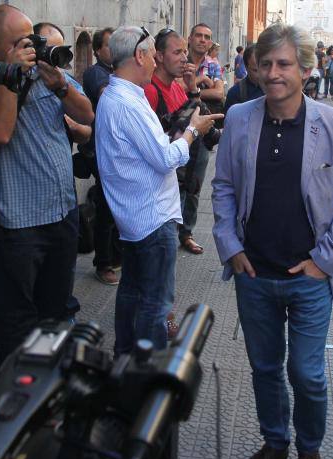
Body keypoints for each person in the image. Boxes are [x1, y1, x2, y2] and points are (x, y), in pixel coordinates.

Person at [211, 24, 333, 459]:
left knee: (307, 373)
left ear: (305, 69)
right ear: (254, 69)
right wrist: (229, 245)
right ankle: (275, 442)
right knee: (264, 367)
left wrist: (324, 261)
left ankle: (310, 451)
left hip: (309, 278)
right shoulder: (239, 118)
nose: (274, 73)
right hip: (254, 274)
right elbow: (222, 187)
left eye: (284, 64)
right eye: (266, 64)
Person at [0, 5, 93, 366]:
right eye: (19, 42)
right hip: (18, 223)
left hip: (61, 212)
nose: (29, 48)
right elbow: (3, 134)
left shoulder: (48, 73)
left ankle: (48, 390)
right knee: (16, 318)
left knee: (55, 312)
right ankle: (13, 398)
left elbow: (88, 114)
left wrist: (59, 86)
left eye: (31, 40)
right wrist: (13, 75)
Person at [95, 26, 221, 357]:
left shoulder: (119, 96)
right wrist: (194, 129)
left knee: (133, 291)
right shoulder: (128, 103)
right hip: (151, 217)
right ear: (139, 56)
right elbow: (166, 158)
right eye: (153, 54)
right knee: (153, 302)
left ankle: (125, 359)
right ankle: (148, 373)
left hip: (138, 215)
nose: (155, 62)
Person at [180, 23, 223, 255]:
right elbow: (176, 86)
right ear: (190, 38)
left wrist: (190, 86)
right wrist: (201, 82)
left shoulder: (213, 64)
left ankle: (186, 232)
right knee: (174, 181)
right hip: (177, 128)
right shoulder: (180, 59)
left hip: (203, 129)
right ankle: (171, 226)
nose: (203, 40)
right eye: (199, 36)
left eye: (207, 37)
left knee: (194, 184)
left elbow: (219, 93)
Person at [82, 27, 121, 286]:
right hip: (101, 152)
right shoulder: (96, 73)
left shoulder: (115, 73)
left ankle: (114, 256)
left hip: (116, 151)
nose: (113, 51)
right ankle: (103, 263)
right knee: (106, 210)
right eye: (108, 46)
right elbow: (109, 96)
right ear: (97, 50)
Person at [225, 44, 263, 113]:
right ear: (246, 67)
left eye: (265, 67)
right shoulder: (235, 93)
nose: (262, 74)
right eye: (256, 70)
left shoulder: (277, 90)